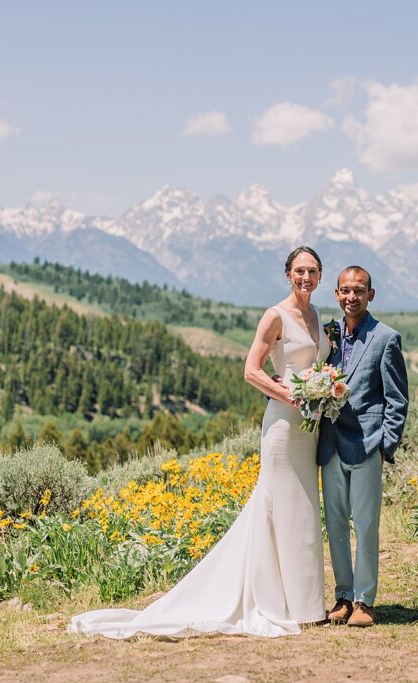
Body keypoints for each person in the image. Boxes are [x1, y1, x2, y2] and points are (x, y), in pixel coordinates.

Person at [67, 246, 327, 639]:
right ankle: (272, 601)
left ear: (320, 276)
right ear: (287, 274)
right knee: (277, 509)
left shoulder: (316, 315)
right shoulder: (275, 315)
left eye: (313, 271)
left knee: (303, 510)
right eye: (299, 270)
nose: (306, 277)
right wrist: (292, 397)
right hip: (282, 429)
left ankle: (305, 604)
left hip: (310, 430)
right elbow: (251, 371)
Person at [318, 266, 408, 628]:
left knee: (366, 524)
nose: (351, 297)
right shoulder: (328, 335)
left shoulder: (386, 338)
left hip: (368, 444)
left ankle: (365, 601)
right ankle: (343, 595)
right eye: (345, 291)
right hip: (330, 444)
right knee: (335, 524)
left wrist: (386, 445)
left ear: (371, 294)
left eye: (359, 291)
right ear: (336, 295)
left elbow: (397, 399)